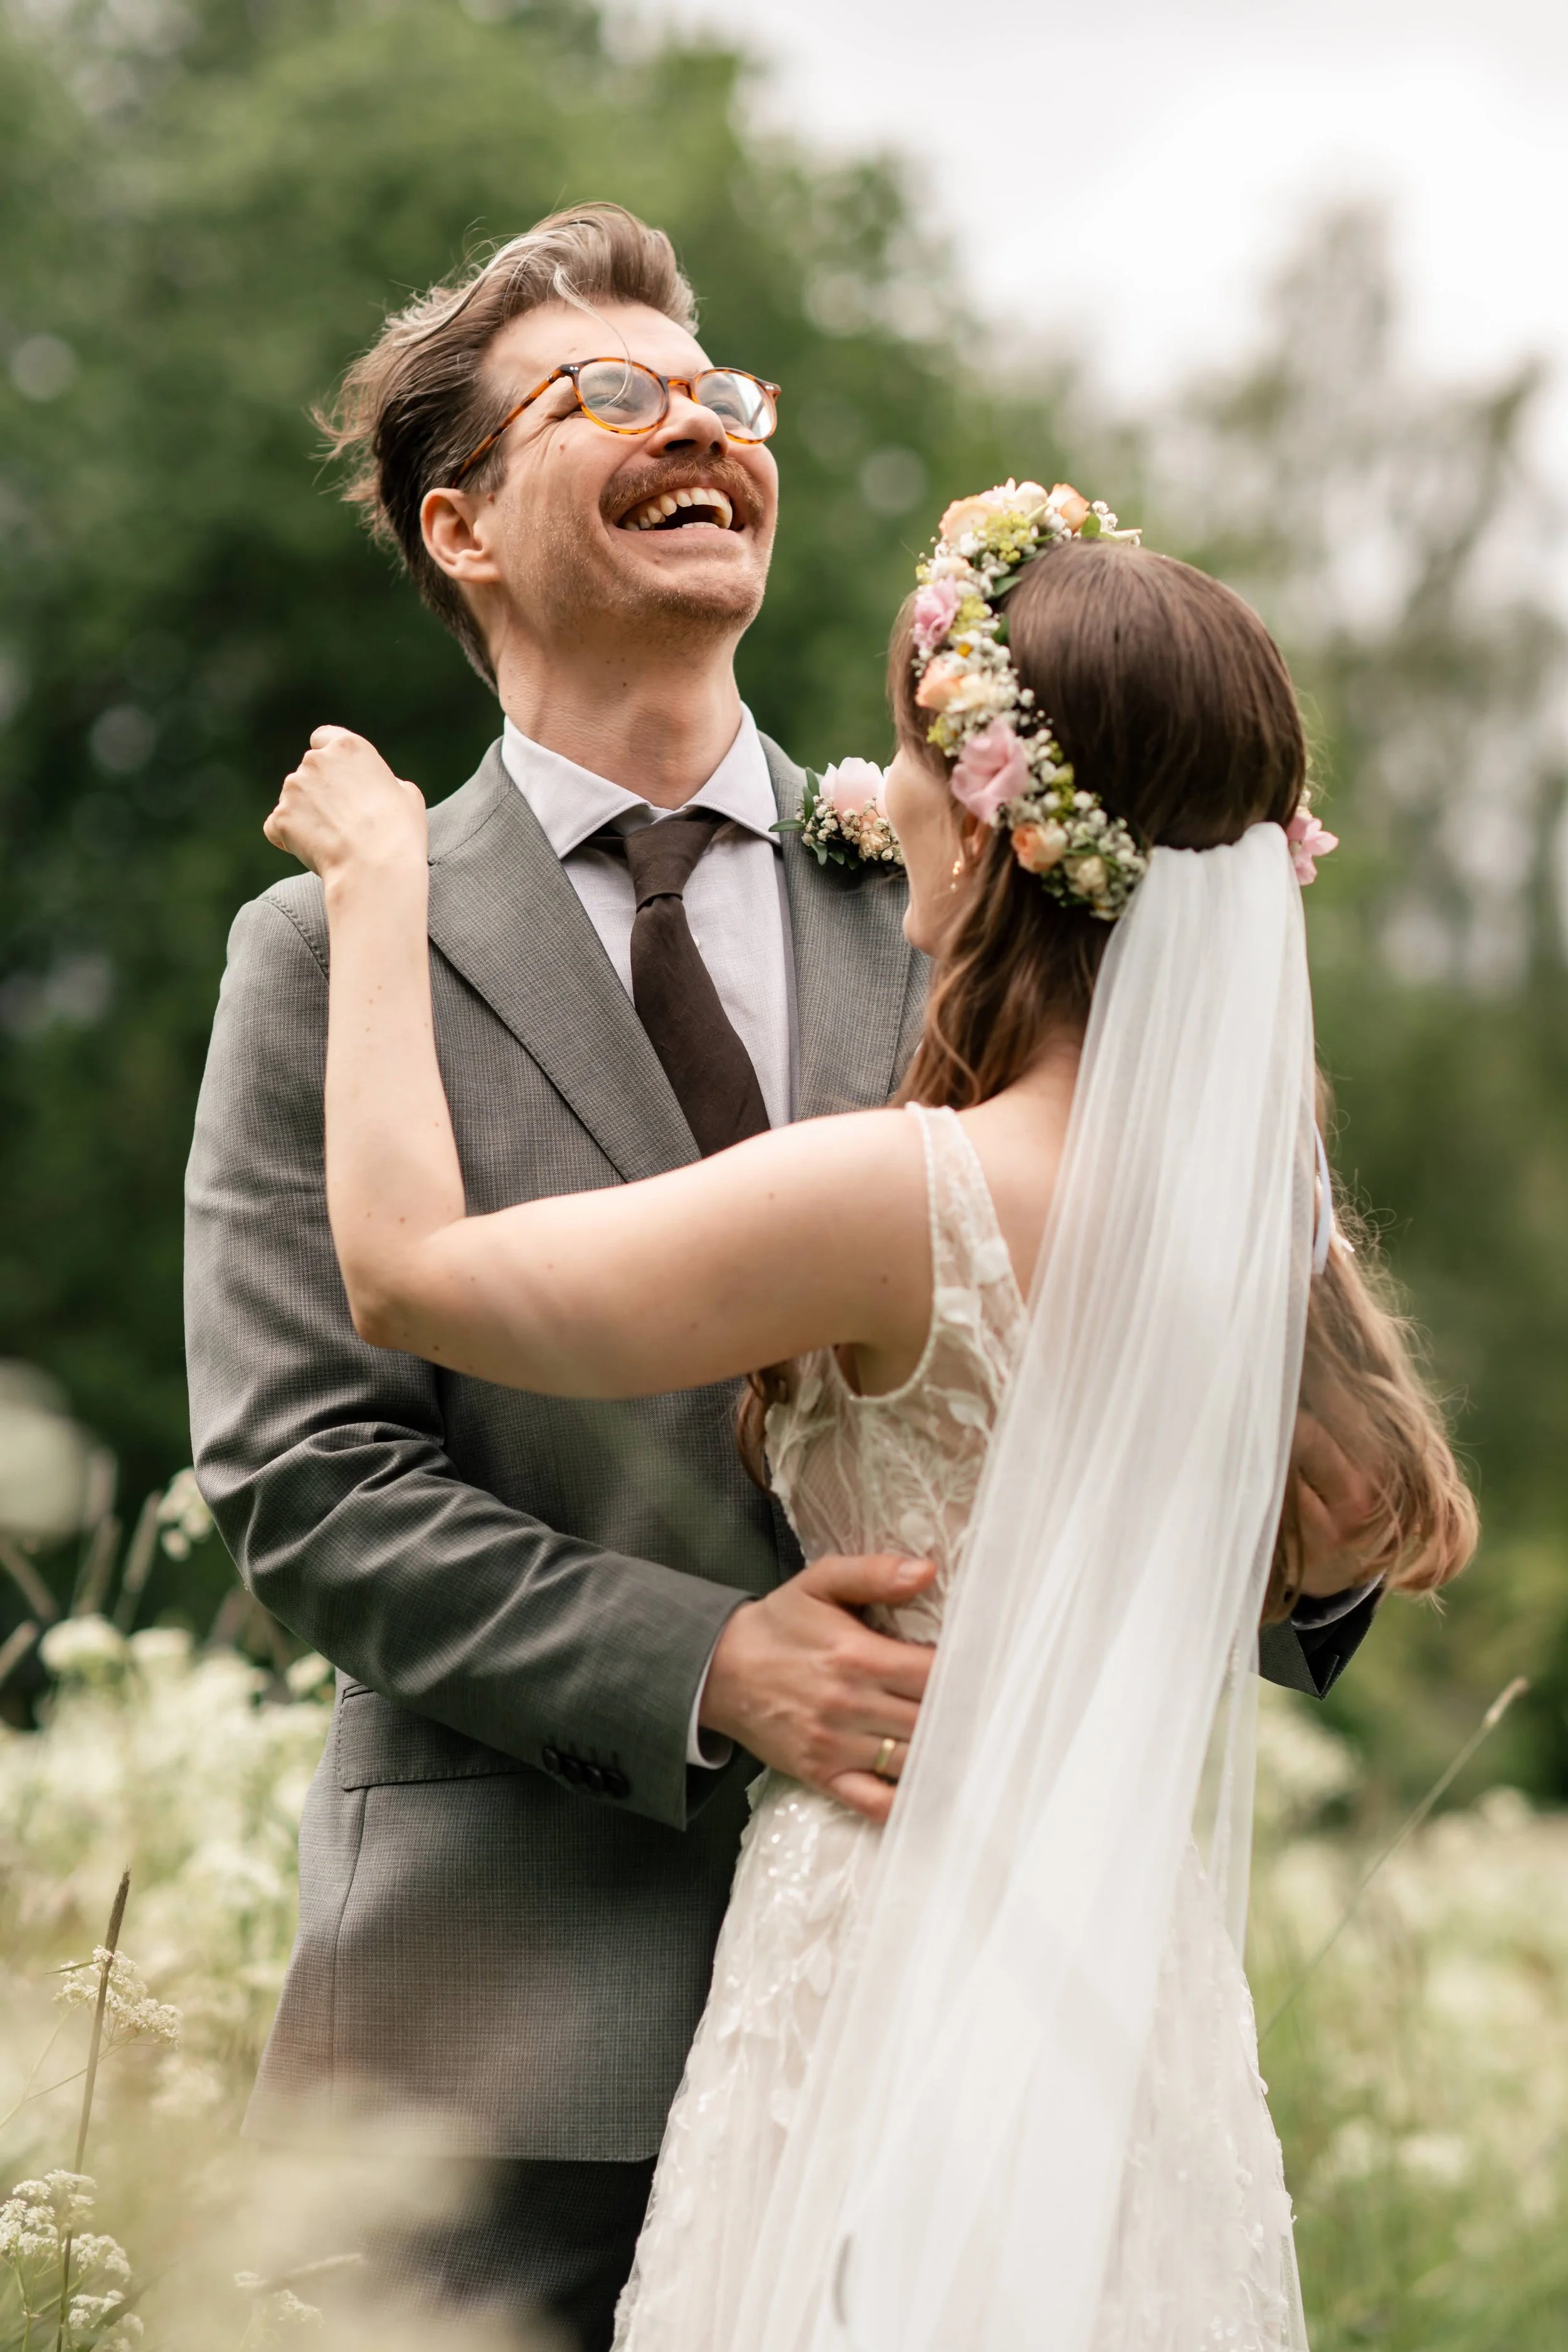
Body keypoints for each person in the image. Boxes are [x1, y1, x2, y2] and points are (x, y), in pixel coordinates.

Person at [188, 205, 1391, 2350]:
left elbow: (1204, 1376)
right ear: (455, 525)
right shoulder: (326, 956)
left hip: (984, 2037)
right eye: (616, 394)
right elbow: (302, 1479)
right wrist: (706, 1664)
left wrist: (1250, 1543)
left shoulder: (978, 893)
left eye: (726, 392)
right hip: (499, 2049)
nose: (705, 428)